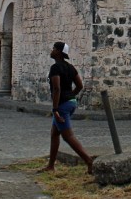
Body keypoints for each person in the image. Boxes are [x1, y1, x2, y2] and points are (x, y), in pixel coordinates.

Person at [43, 41, 95, 174]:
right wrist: (71, 95)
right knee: (55, 134)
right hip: (71, 102)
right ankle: (51, 165)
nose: (52, 50)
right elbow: (80, 86)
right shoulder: (70, 67)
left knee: (68, 136)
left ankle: (89, 161)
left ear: (59, 52)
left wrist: (55, 109)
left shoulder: (55, 68)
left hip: (62, 106)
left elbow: (56, 88)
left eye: (54, 48)